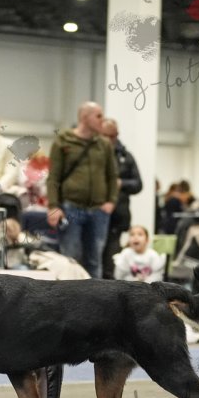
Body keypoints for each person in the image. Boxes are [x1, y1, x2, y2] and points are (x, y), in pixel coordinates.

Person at [46, 101, 118, 279]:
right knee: (70, 258)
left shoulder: (104, 144)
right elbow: (53, 177)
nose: (102, 120)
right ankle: (68, 295)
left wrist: (111, 201)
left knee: (95, 260)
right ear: (85, 117)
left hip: (99, 210)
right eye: (98, 116)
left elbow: (112, 175)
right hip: (71, 208)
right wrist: (53, 206)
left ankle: (96, 296)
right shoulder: (63, 141)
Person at [100, 118, 142, 280]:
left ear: (117, 134)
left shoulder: (126, 157)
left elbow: (138, 184)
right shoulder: (92, 154)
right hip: (94, 214)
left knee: (111, 260)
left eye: (112, 135)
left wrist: (121, 183)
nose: (109, 139)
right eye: (105, 135)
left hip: (117, 217)